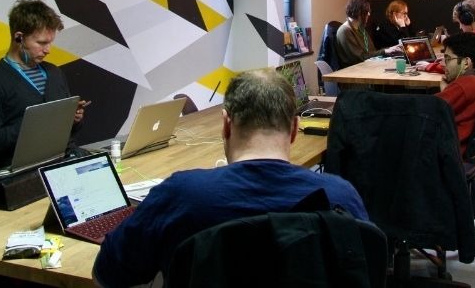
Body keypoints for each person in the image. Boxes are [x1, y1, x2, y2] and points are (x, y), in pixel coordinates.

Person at [92, 68, 368, 287]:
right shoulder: (341, 197)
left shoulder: (180, 195)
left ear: (226, 124)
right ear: (294, 129)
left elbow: (108, 274)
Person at [0, 0, 87, 171]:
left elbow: (68, 135)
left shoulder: (54, 73)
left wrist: (74, 120)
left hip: (63, 161)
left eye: (50, 42)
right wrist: (34, 124)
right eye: (41, 43)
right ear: (19, 38)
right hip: (20, 171)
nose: (48, 50)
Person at [436, 32, 475, 155]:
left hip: (451, 149)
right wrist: (447, 91)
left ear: (466, 63)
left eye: (448, 59)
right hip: (470, 148)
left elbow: (428, 110)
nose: (443, 64)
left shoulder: (463, 86)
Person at [334, 0, 392, 67]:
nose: (369, 14)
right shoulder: (344, 31)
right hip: (353, 71)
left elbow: (371, 52)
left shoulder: (361, 29)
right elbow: (360, 58)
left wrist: (388, 51)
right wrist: (384, 51)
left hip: (365, 67)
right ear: (358, 12)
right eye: (366, 11)